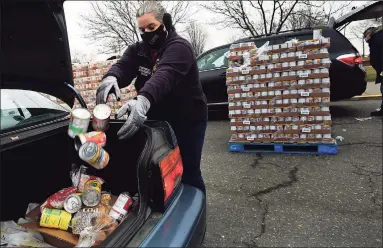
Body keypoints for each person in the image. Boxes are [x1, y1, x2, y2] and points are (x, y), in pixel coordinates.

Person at [96, 2, 208, 194]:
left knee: (189, 171)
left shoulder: (179, 47)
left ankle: (195, 210)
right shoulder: (138, 50)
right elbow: (123, 66)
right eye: (142, 29)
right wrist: (111, 77)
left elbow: (165, 75)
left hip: (188, 119)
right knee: (159, 168)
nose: (147, 33)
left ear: (165, 22)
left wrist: (143, 99)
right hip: (159, 117)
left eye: (151, 27)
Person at [364, 25, 383, 116]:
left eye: (365, 36)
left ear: (369, 34)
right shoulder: (377, 38)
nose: (365, 38)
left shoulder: (376, 39)